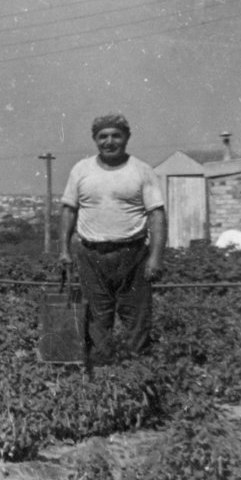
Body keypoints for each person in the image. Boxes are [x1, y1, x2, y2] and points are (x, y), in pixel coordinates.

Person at [59, 114, 166, 364]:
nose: (110, 141)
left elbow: (157, 215)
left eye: (116, 135)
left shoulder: (142, 170)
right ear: (95, 139)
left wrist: (156, 258)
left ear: (126, 137)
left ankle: (136, 374)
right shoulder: (81, 170)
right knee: (96, 319)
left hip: (133, 256)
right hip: (91, 256)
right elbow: (68, 211)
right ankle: (103, 378)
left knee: (137, 319)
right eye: (103, 136)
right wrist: (63, 249)